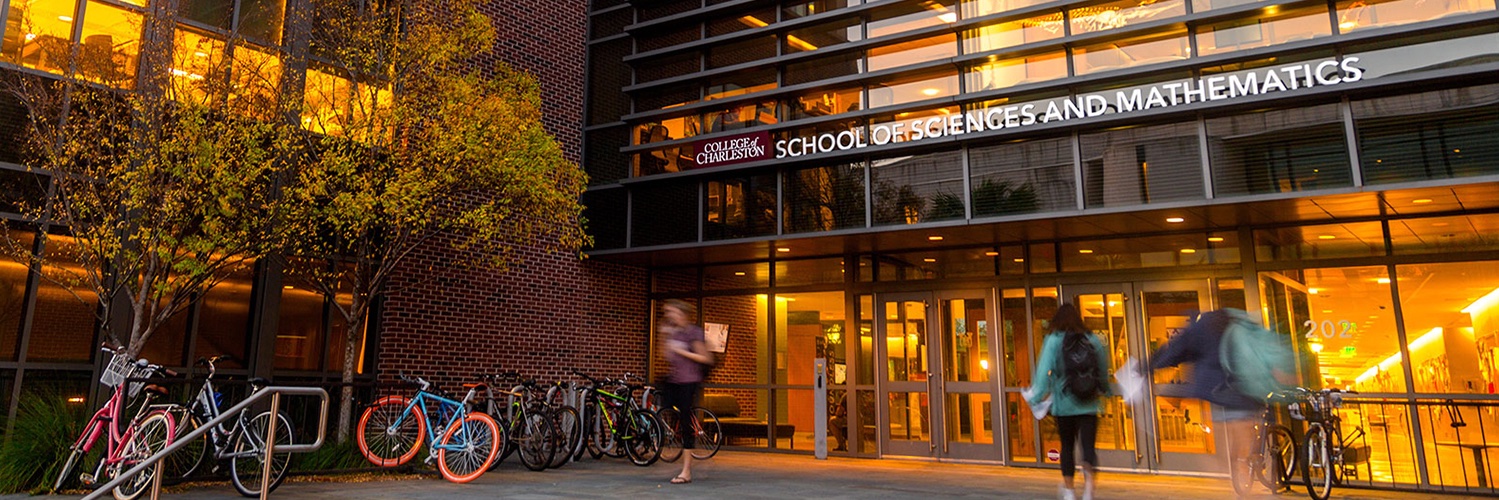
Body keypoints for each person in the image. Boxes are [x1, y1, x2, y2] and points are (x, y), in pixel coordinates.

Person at [1149, 309, 1266, 491]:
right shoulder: (1246, 326)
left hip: (1216, 391)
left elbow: (1177, 350)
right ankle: (1245, 464)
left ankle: (1234, 469)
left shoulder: (1202, 327)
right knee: (1246, 427)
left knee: (1225, 430)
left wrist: (1150, 365)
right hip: (1246, 389)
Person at [1026, 303, 1111, 500]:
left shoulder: (1053, 340)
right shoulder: (1092, 339)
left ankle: (1070, 491)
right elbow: (1102, 369)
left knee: (1067, 447)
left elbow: (1043, 372)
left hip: (1064, 406)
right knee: (1088, 447)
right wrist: (1106, 392)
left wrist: (1036, 397)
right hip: (1090, 404)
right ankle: (1089, 490)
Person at [660, 299, 711, 484]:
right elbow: (666, 356)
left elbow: (705, 357)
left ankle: (686, 471)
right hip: (675, 380)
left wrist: (683, 352)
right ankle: (676, 433)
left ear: (680, 313)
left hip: (689, 381)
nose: (668, 316)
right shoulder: (675, 333)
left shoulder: (693, 332)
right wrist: (664, 336)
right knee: (666, 409)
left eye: (671, 312)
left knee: (684, 423)